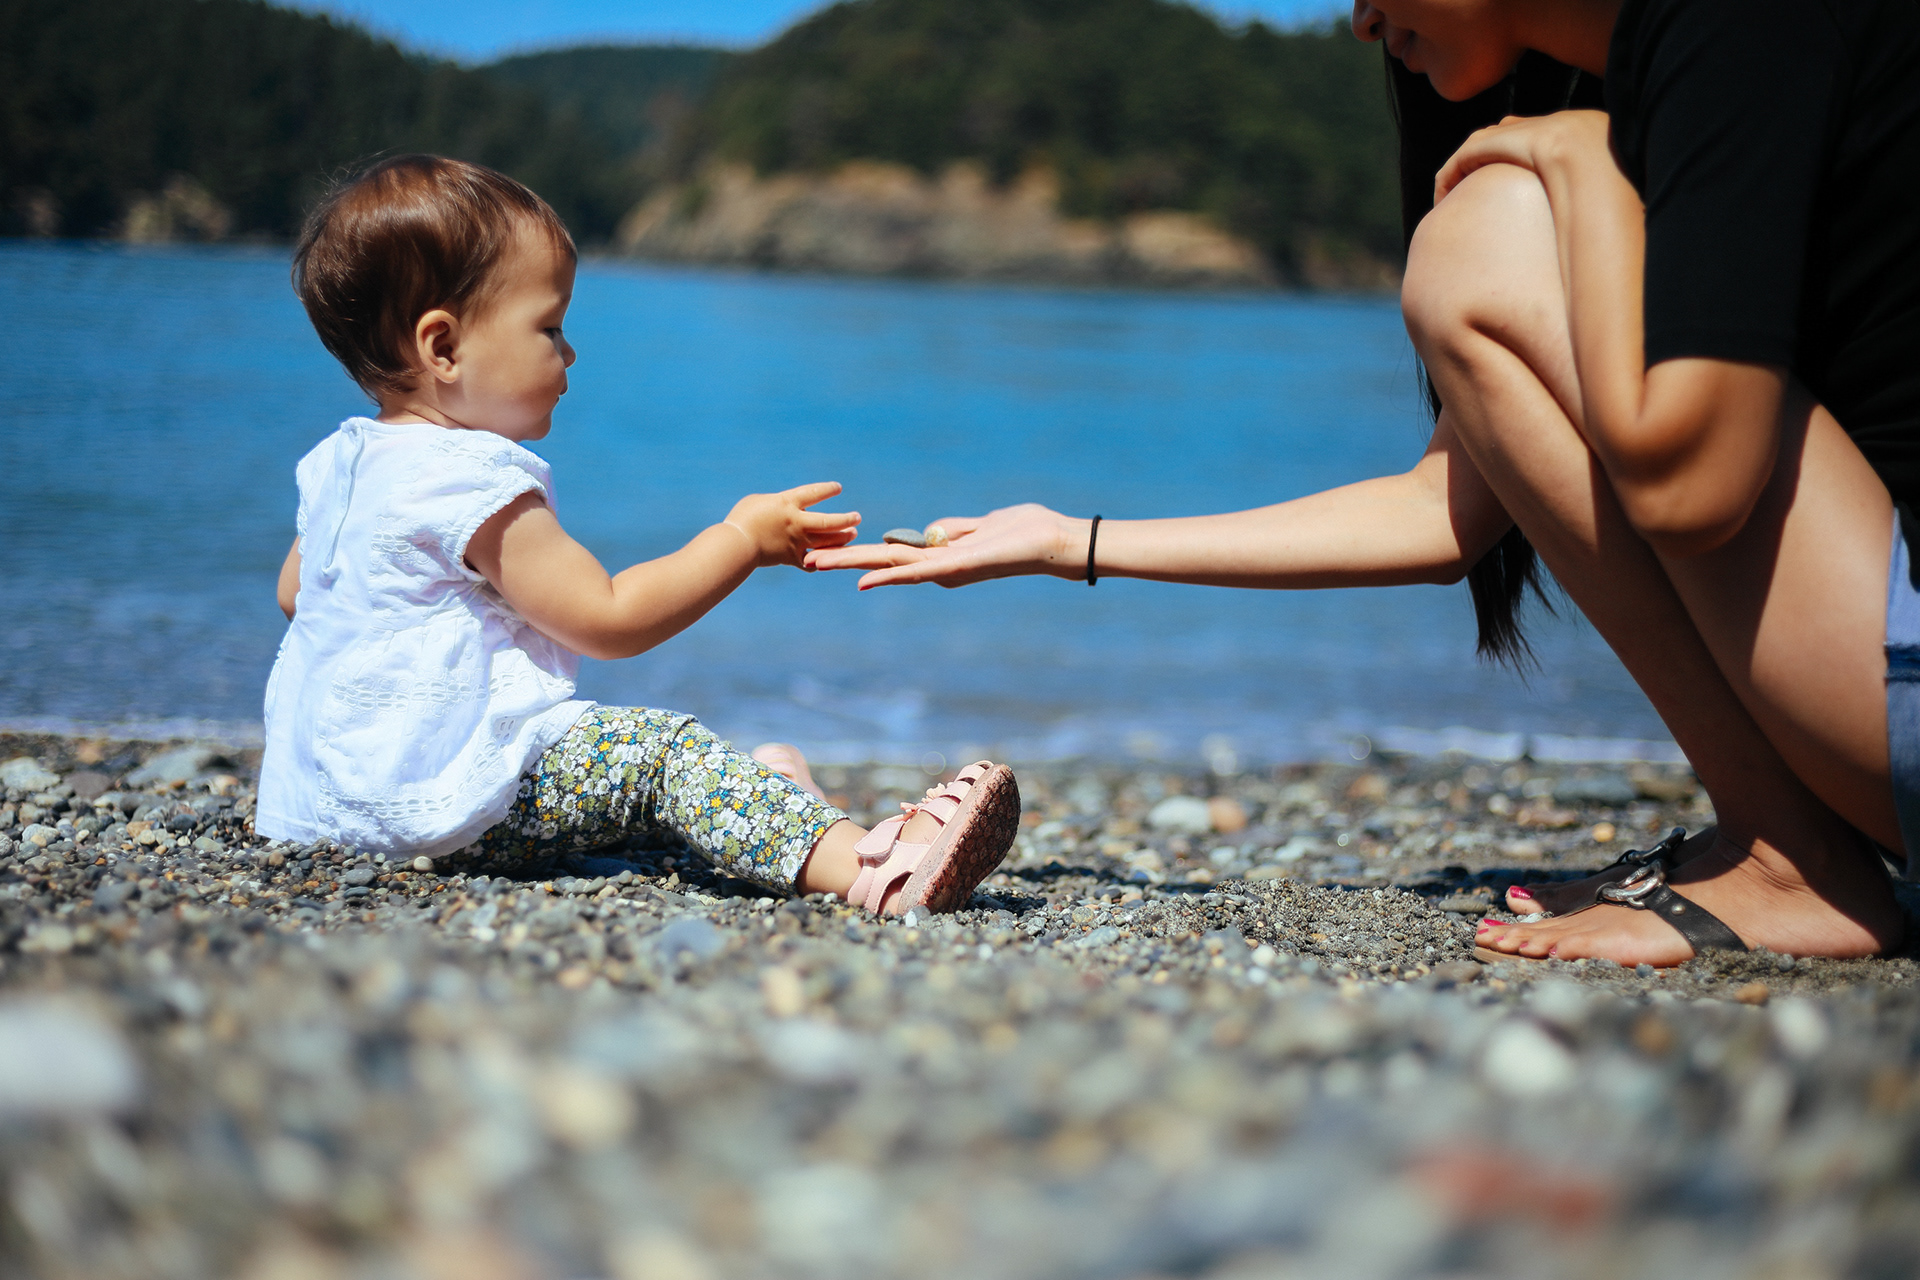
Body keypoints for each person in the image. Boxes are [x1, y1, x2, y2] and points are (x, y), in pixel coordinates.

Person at [811, 0, 1920, 965]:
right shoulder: (1644, 73)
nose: (1358, 19)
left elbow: (1692, 490)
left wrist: (1584, 169)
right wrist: (1070, 541)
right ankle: (1785, 846)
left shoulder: (1736, 28)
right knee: (1493, 227)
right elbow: (1444, 512)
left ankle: (1788, 858)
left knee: (1486, 232)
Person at [256, 154, 1020, 917]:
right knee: (664, 759)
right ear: (444, 347)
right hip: (443, 806)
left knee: (635, 799)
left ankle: (784, 811)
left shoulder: (342, 464)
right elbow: (609, 618)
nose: (569, 353)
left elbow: (298, 595)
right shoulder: (469, 479)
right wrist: (741, 539)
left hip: (319, 809)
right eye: (549, 327)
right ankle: (873, 866)